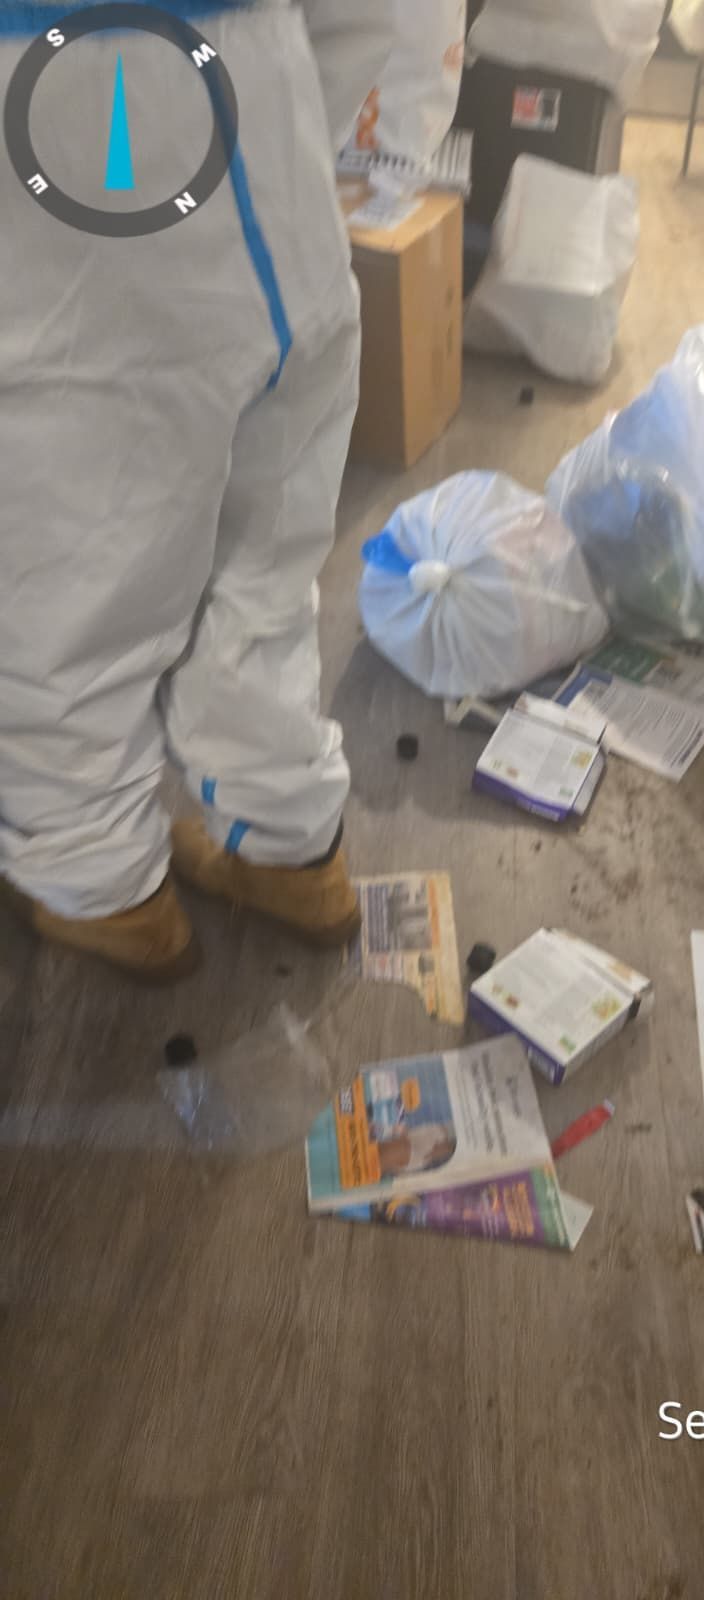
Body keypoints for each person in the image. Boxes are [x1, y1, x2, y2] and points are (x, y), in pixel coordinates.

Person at [0, 0, 394, 980]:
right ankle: (294, 851)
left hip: (61, 150)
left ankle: (106, 891)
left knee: (73, 591)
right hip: (272, 135)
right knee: (265, 569)